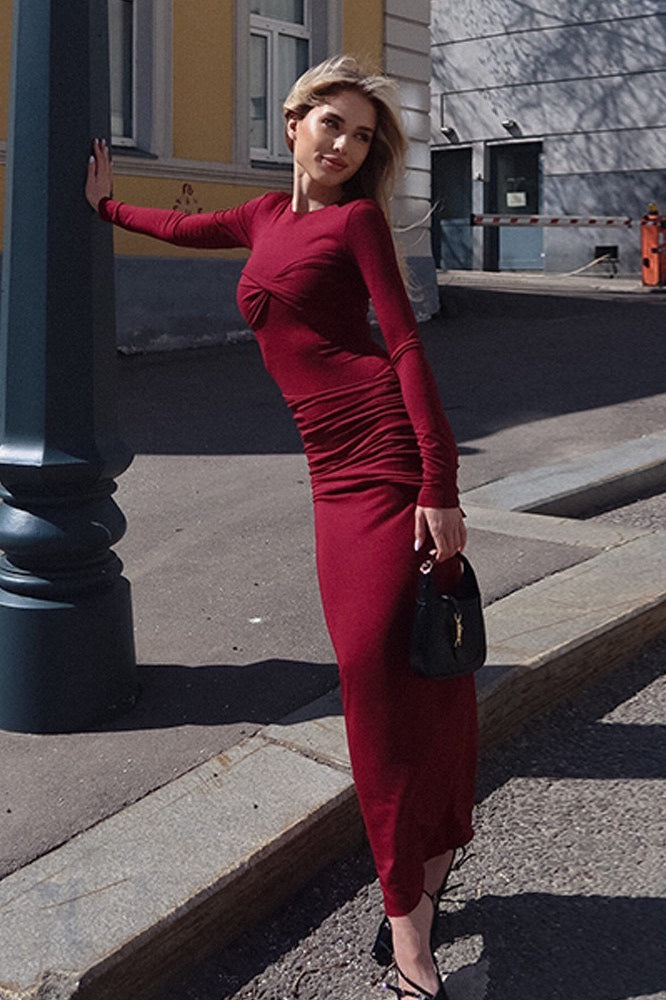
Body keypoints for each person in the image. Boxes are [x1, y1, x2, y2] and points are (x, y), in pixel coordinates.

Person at [86, 55, 478, 1000]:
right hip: (327, 475)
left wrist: (440, 483)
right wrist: (105, 206)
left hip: (385, 458)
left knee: (380, 681)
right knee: (384, 672)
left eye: (362, 135)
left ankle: (408, 928)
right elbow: (181, 226)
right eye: (331, 124)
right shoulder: (264, 217)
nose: (344, 144)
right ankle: (431, 861)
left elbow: (405, 344)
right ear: (294, 123)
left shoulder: (357, 224)